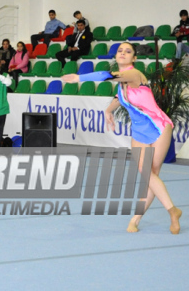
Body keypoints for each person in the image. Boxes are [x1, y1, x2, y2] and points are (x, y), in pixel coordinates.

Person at [61, 42, 182, 234]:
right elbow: (120, 97)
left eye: (128, 51)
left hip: (158, 126)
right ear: (116, 56)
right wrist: (109, 110)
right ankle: (169, 212)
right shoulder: (122, 83)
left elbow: (104, 75)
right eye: (120, 51)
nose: (123, 53)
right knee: (147, 176)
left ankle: (149, 216)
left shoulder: (134, 74)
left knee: (151, 174)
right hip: (139, 132)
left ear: (134, 58)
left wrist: (78, 77)